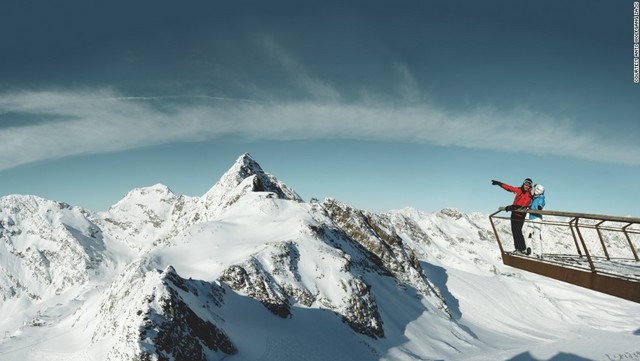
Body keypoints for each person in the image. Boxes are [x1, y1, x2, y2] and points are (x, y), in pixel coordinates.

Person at [491, 178, 533, 254]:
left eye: (528, 185)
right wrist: (499, 183)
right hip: (514, 213)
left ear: (530, 186)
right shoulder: (519, 190)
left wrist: (512, 207)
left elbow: (523, 205)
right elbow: (509, 188)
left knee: (518, 231)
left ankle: (522, 249)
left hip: (520, 214)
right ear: (523, 184)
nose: (526, 186)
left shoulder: (529, 194)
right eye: (525, 184)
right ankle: (517, 248)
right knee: (514, 231)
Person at [527, 184, 546, 258]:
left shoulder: (540, 197)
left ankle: (539, 253)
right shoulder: (534, 198)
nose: (535, 191)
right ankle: (529, 251)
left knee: (536, 236)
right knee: (528, 235)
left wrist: (540, 206)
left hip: (537, 218)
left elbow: (542, 202)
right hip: (531, 218)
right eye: (535, 189)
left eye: (537, 190)